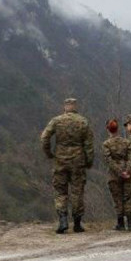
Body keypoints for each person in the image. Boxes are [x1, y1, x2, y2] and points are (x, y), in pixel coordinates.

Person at [40, 98, 94, 233]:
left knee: (60, 191)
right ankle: (77, 223)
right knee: (77, 191)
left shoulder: (56, 121)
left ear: (65, 107)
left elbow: (44, 137)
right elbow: (89, 145)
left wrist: (49, 153)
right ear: (75, 108)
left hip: (60, 160)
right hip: (78, 161)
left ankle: (63, 220)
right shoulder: (83, 122)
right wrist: (89, 161)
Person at [102, 119, 131, 231]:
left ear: (108, 129)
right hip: (128, 174)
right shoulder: (127, 142)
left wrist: (119, 172)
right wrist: (128, 171)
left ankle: (120, 223)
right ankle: (130, 224)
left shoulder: (106, 144)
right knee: (128, 198)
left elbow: (108, 160)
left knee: (117, 199)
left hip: (114, 175)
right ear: (117, 129)